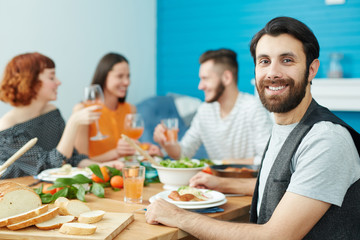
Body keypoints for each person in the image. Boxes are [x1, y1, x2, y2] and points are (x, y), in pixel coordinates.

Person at [145, 17, 360, 239]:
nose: (272, 73)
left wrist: (178, 216)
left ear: (311, 69)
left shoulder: (326, 139)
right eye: (264, 61)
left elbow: (276, 236)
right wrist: (222, 183)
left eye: (287, 60)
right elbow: (280, 185)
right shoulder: (284, 127)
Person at [0, 52, 123, 179]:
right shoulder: (8, 127)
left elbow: (70, 158)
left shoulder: (51, 113)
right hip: (15, 193)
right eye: (52, 77)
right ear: (31, 81)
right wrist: (73, 122)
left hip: (46, 190)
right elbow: (47, 167)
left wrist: (103, 167)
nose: (58, 82)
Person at [153, 49, 272, 165]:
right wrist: (167, 143)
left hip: (246, 182)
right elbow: (183, 154)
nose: (200, 86)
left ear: (226, 78)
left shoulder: (253, 108)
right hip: (213, 181)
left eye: (205, 78)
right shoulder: (205, 110)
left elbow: (268, 159)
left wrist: (224, 163)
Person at [74, 53, 161, 162]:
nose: (127, 82)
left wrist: (146, 151)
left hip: (124, 174)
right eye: (120, 76)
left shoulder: (130, 109)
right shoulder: (83, 111)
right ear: (104, 76)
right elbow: (79, 161)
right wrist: (116, 153)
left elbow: (130, 153)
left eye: (128, 76)